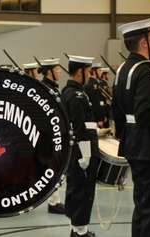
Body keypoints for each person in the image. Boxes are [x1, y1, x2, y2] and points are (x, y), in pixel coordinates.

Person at [112, 17, 150, 237]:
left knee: (143, 208)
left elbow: (117, 112)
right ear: (143, 42)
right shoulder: (148, 71)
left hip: (134, 147)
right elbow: (147, 115)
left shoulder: (123, 70)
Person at [61, 55, 98, 237]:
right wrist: (86, 154)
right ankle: (80, 232)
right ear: (80, 72)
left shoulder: (72, 92)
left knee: (76, 188)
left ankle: (76, 228)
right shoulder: (75, 95)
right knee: (83, 190)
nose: (90, 75)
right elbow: (79, 127)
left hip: (78, 148)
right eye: (88, 71)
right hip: (82, 149)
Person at [38, 58, 66, 215]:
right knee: (52, 168)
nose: (59, 72)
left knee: (56, 168)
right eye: (56, 69)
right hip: (48, 134)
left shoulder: (53, 88)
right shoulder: (44, 88)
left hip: (55, 133)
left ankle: (55, 201)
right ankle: (53, 202)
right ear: (49, 71)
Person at [84, 63, 108, 128]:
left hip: (101, 114)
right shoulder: (91, 84)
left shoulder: (97, 83)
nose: (101, 72)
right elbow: (95, 103)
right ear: (94, 72)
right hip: (95, 117)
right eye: (99, 70)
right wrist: (99, 118)